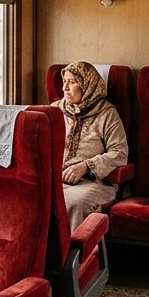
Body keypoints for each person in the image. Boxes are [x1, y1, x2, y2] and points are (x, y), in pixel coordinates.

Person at [53, 62, 129, 229]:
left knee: (72, 204)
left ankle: (74, 255)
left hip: (94, 183)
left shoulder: (107, 113)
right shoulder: (55, 110)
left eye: (72, 82)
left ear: (87, 85)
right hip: (56, 180)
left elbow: (120, 153)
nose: (65, 87)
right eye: (64, 81)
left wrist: (86, 166)